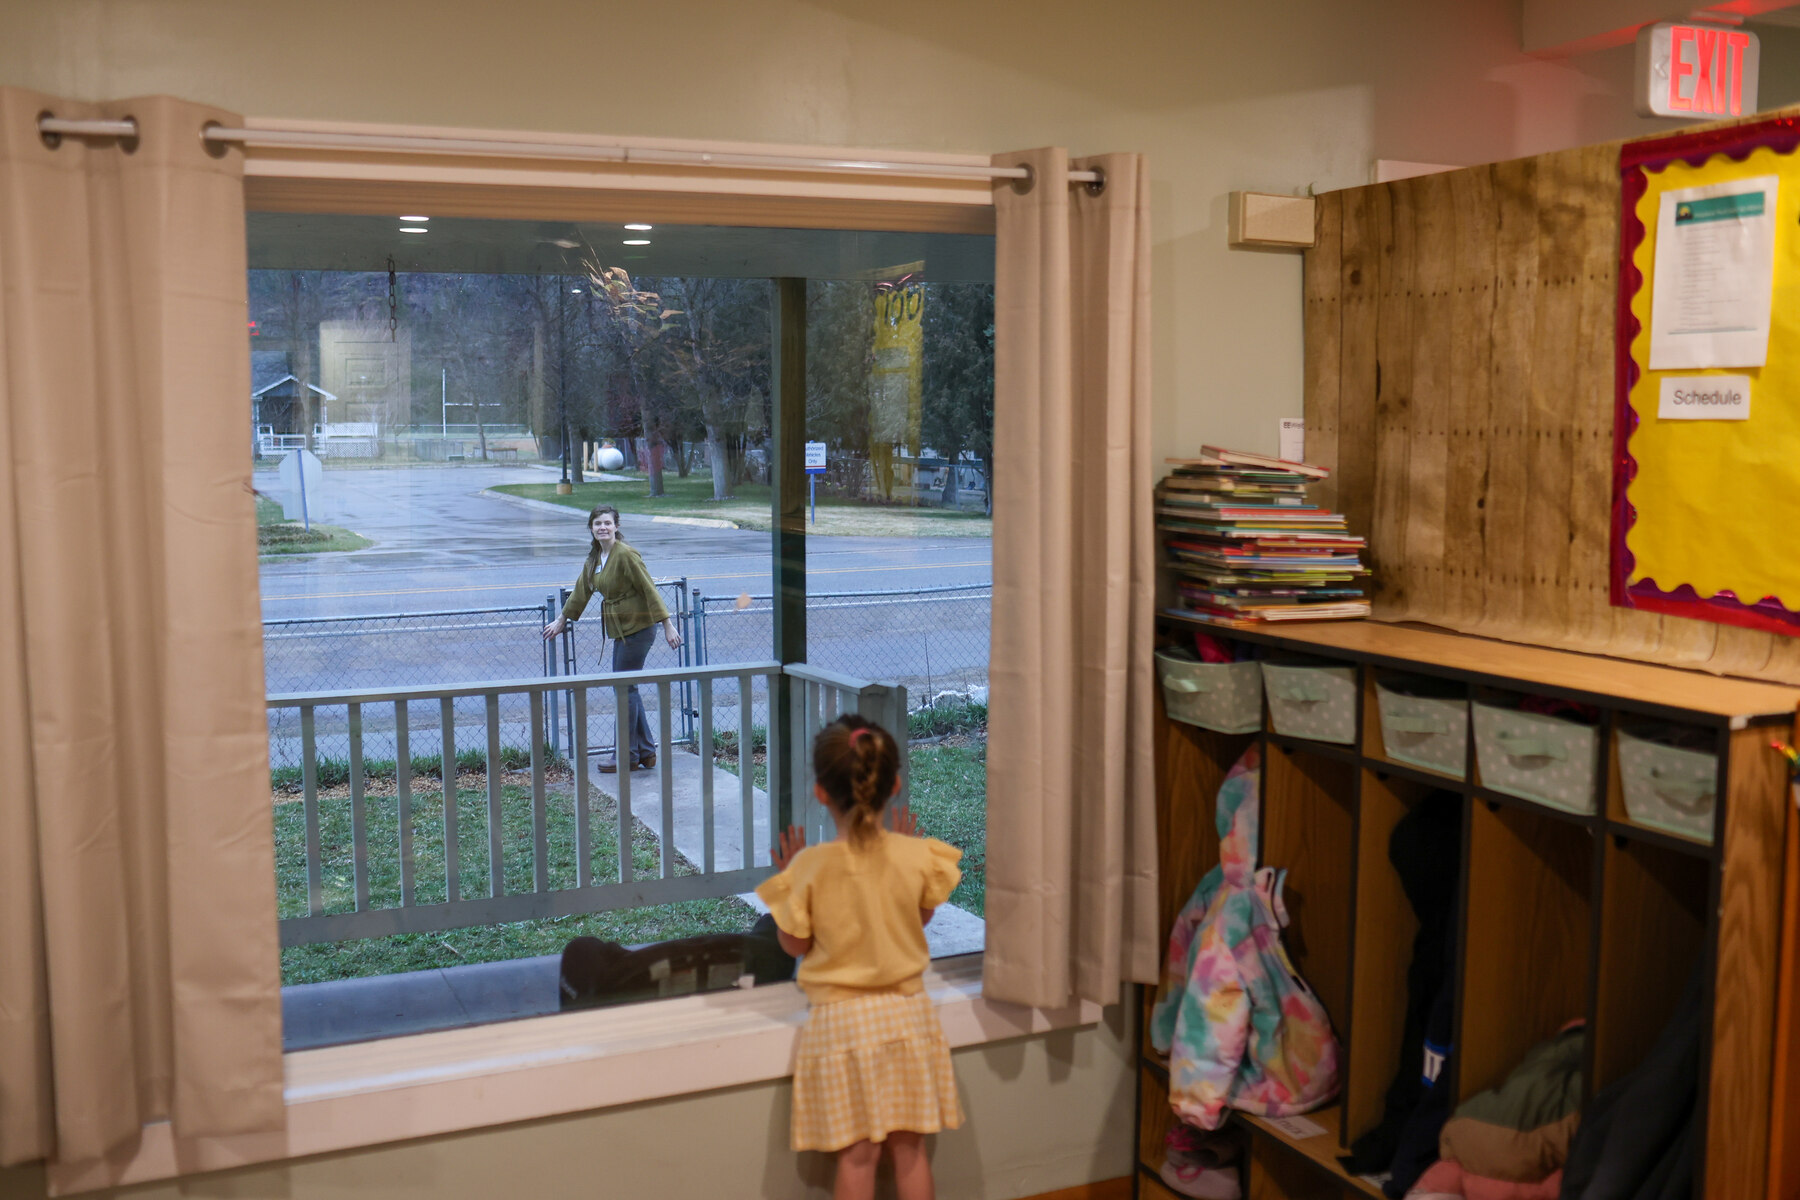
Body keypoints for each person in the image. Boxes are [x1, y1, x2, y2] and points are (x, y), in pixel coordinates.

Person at [756, 714, 964, 1200]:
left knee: (856, 1159)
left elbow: (795, 946)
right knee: (910, 1155)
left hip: (842, 1027)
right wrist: (909, 849)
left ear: (822, 793)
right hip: (909, 1019)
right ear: (893, 785)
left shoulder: (810, 867)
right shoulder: (915, 855)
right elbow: (921, 919)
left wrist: (788, 878)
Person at [541, 505, 682, 772]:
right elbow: (581, 592)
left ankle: (626, 755)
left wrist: (667, 625)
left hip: (640, 628)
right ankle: (646, 751)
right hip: (620, 630)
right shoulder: (595, 559)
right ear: (591, 529)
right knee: (627, 687)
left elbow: (649, 589)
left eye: (607, 523)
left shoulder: (626, 555)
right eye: (597, 524)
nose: (602, 528)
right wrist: (561, 620)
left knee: (623, 687)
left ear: (616, 526)